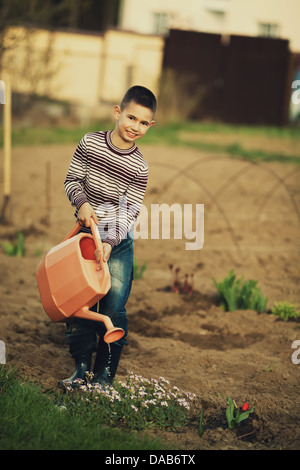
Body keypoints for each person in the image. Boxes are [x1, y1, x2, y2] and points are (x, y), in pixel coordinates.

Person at [60, 85, 156, 389]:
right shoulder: (89, 144)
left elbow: (129, 211)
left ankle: (104, 373)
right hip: (85, 238)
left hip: (118, 241)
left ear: (150, 126)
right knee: (80, 301)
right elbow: (72, 180)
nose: (135, 127)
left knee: (113, 305)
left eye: (143, 123)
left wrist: (110, 241)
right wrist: (83, 204)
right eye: (131, 118)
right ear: (118, 112)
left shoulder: (139, 167)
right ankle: (81, 366)